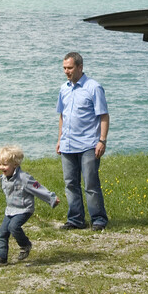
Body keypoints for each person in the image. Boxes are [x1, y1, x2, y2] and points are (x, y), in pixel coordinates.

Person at [55, 51, 109, 231]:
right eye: (64, 68)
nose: (66, 71)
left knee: (91, 184)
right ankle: (75, 219)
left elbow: (103, 115)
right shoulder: (64, 89)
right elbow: (62, 116)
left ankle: (98, 220)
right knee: (70, 184)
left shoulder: (94, 87)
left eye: (69, 68)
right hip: (67, 144)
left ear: (80, 67)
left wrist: (102, 141)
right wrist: (59, 139)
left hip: (88, 144)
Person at [0, 145, 60, 269]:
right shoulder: (4, 177)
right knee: (2, 233)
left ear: (15, 164)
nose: (1, 167)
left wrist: (51, 198)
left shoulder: (24, 178)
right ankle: (2, 258)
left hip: (24, 209)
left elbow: (38, 188)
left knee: (13, 227)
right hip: (10, 210)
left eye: (5, 164)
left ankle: (25, 245)